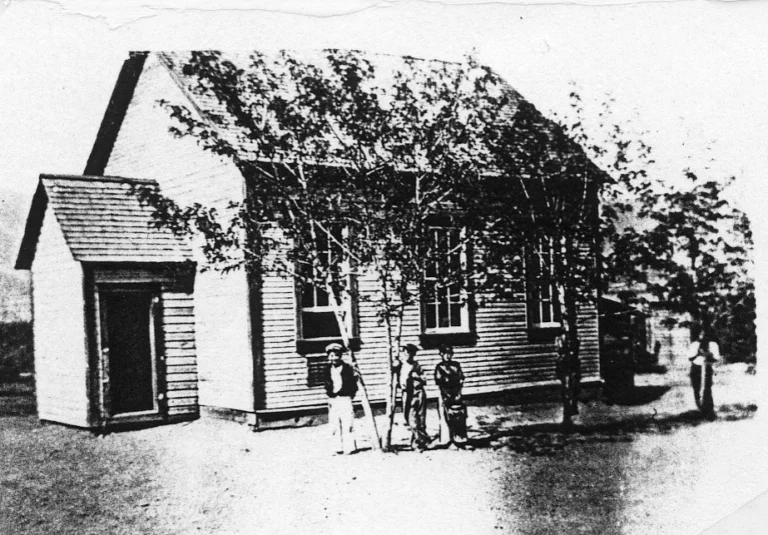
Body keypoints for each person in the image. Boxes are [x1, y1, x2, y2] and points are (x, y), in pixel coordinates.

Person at [324, 343, 358, 455]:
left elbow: (354, 383)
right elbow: (327, 384)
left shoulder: (348, 368)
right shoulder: (327, 369)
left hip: (345, 398)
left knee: (347, 422)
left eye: (336, 355)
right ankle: (337, 447)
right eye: (331, 356)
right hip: (333, 399)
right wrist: (330, 395)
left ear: (341, 356)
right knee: (334, 423)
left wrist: (350, 394)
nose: (333, 358)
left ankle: (349, 447)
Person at [398, 344, 430, 451]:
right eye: (406, 353)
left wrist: (418, 377)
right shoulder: (400, 366)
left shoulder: (417, 365)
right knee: (410, 419)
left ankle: (417, 443)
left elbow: (425, 379)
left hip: (419, 392)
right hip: (407, 394)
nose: (408, 355)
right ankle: (423, 438)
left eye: (410, 353)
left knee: (421, 418)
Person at [434, 344, 468, 447]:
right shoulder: (439, 367)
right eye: (445, 354)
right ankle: (448, 441)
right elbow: (440, 382)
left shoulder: (456, 365)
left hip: (457, 394)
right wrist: (447, 395)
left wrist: (458, 392)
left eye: (449, 354)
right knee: (446, 417)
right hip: (445, 394)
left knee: (459, 416)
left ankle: (461, 440)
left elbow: (461, 378)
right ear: (441, 354)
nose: (447, 356)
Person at [688, 325, 720, 418]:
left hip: (707, 367)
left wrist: (709, 355)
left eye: (705, 334)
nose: (703, 336)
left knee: (707, 388)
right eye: (701, 334)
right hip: (696, 368)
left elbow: (716, 358)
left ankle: (708, 409)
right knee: (696, 388)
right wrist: (698, 353)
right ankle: (699, 406)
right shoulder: (694, 344)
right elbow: (690, 358)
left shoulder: (713, 344)